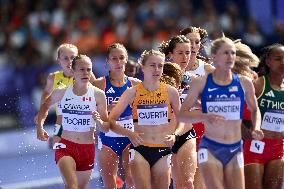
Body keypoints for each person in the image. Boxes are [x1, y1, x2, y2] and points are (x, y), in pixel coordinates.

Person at [177, 36, 263, 189]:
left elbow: (255, 109)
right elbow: (182, 114)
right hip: (210, 148)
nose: (230, 57)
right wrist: (204, 116)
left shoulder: (244, 82)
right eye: (225, 53)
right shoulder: (201, 82)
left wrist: (256, 127)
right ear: (214, 56)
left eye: (232, 53)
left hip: (235, 147)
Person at [109, 50, 180, 189]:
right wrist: (129, 133)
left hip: (163, 150)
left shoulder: (171, 92)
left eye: (160, 66)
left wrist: (175, 135)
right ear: (143, 67)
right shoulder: (132, 92)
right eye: (152, 65)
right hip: (139, 149)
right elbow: (110, 121)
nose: (157, 69)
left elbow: (183, 120)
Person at [36, 54, 108, 189]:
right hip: (65, 146)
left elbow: (106, 127)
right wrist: (40, 127)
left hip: (87, 148)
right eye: (81, 69)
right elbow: (45, 106)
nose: (86, 73)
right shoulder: (61, 92)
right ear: (73, 71)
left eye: (88, 69)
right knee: (71, 185)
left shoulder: (99, 95)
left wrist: (99, 122)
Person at [92, 43, 140, 189]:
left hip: (129, 137)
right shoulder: (99, 84)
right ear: (107, 61)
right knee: (110, 185)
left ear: (126, 59)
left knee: (131, 181)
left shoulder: (135, 84)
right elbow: (90, 110)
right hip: (107, 139)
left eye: (121, 58)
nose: (118, 62)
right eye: (114, 59)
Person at [34, 43, 96, 144]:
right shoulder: (52, 78)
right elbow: (46, 95)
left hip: (84, 122)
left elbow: (99, 92)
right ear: (59, 61)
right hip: (62, 122)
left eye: (73, 57)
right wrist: (41, 113)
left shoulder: (86, 74)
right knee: (59, 147)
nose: (70, 61)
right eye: (65, 58)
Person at [243, 43, 284, 189]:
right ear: (268, 61)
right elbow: (238, 111)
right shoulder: (259, 84)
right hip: (255, 147)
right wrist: (245, 129)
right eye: (278, 59)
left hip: (278, 148)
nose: (283, 62)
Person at [159, 35, 197, 189]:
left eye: (188, 52)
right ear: (170, 55)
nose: (185, 57)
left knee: (187, 183)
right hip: (163, 137)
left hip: (186, 134)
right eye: (180, 53)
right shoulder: (159, 78)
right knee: (172, 184)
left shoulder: (194, 80)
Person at [180, 26, 215, 189]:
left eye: (197, 42)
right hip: (177, 127)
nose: (193, 46)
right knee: (182, 181)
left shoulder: (208, 70)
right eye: (189, 42)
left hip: (202, 127)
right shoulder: (169, 69)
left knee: (198, 182)